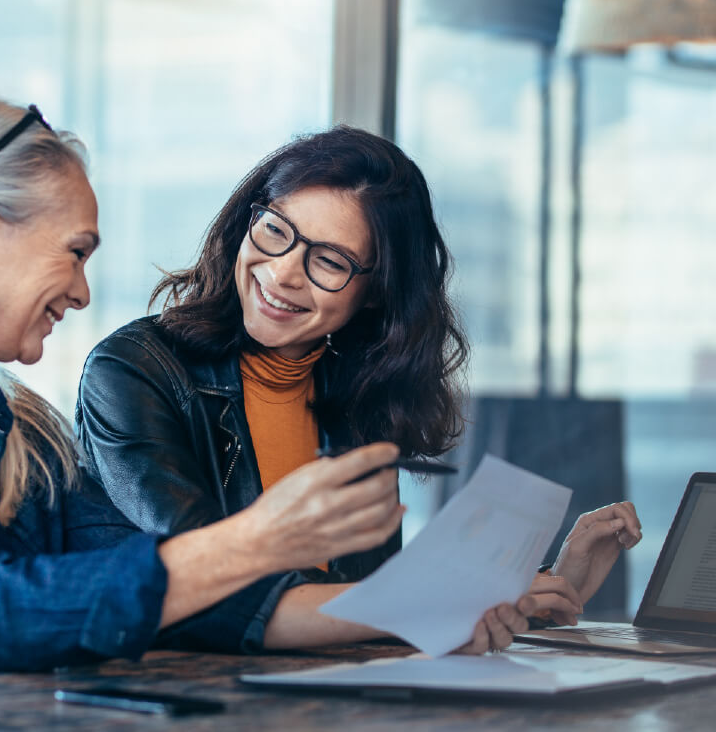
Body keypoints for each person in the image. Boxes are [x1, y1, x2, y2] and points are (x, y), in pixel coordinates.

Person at [0, 96, 535, 681]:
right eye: (74, 251)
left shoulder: (11, 422)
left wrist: (440, 610)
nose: (80, 290)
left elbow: (167, 591)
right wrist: (255, 541)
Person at [75, 125, 642, 626]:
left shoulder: (359, 395)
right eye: (276, 230)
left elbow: (369, 607)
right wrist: (437, 603)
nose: (282, 273)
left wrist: (542, 589)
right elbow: (202, 586)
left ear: (376, 295)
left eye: (329, 261)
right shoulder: (133, 371)